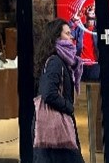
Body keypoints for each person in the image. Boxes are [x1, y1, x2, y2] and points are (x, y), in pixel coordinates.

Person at [33, 18, 85, 163]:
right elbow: (48, 93)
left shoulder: (61, 61)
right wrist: (68, 107)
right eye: (67, 34)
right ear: (56, 37)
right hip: (56, 128)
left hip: (54, 130)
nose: (71, 37)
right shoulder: (56, 62)